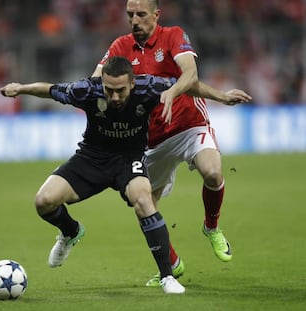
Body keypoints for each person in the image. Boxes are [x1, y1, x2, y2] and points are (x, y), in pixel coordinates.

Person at [91, 0, 252, 287]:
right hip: (150, 139)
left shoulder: (174, 35)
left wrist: (173, 91)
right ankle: (172, 264)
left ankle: (211, 227)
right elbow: (96, 80)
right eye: (130, 15)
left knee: (213, 172)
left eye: (141, 14)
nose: (135, 20)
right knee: (141, 203)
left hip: (188, 124)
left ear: (156, 15)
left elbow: (190, 75)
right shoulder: (120, 46)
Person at [0, 56, 186, 294]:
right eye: (109, 90)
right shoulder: (87, 90)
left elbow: (189, 83)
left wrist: (221, 96)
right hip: (91, 157)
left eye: (120, 90)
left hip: (129, 159)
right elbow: (50, 89)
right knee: (43, 202)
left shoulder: (149, 86)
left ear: (132, 83)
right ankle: (71, 232)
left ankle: (167, 277)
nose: (115, 97)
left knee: (143, 199)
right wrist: (20, 89)